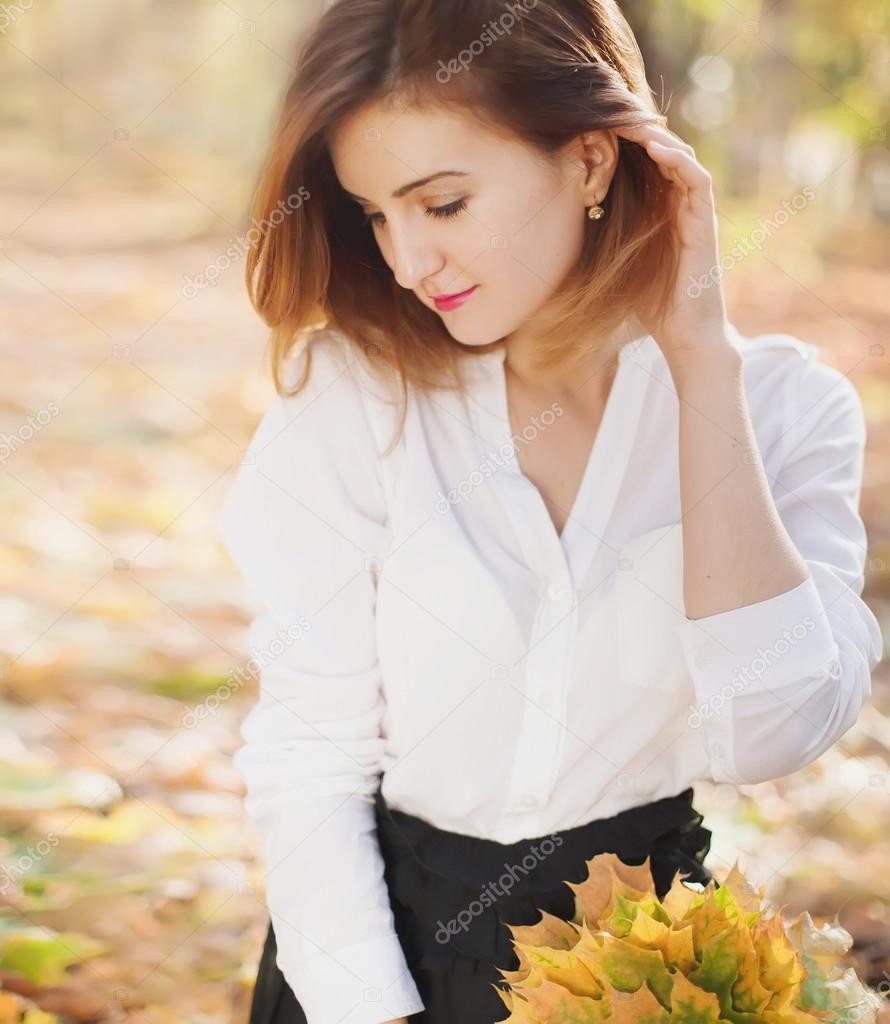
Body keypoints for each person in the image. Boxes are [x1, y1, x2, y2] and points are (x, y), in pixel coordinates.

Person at [217, 1, 883, 1022]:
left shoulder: (786, 410)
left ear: (587, 163)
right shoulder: (359, 390)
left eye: (439, 204)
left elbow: (767, 732)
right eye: (374, 215)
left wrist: (698, 357)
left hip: (642, 969)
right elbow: (310, 746)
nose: (406, 262)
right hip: (376, 952)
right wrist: (364, 1003)